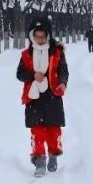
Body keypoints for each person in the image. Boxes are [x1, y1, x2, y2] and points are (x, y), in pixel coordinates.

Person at [16, 14, 68, 173]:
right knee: (37, 131)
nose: (39, 40)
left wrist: (63, 83)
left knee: (53, 130)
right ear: (32, 36)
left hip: (53, 97)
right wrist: (32, 76)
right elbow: (19, 74)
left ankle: (53, 155)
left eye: (42, 36)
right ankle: (39, 160)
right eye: (36, 37)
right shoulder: (26, 54)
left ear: (48, 35)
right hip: (34, 98)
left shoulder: (57, 52)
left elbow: (63, 70)